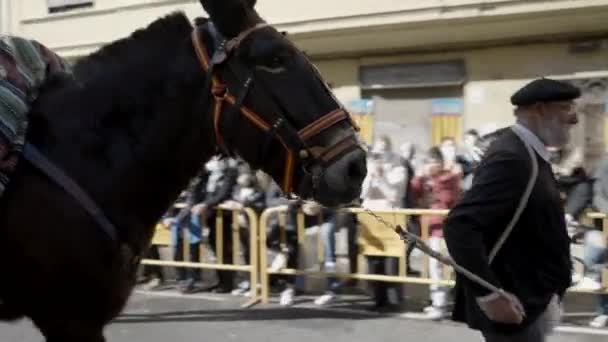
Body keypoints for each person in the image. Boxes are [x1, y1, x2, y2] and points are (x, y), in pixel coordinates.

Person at [443, 78, 580, 341]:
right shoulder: (513, 157)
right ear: (539, 110)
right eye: (565, 108)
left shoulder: (530, 151)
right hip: (514, 304)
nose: (573, 118)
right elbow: (461, 226)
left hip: (533, 300)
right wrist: (490, 295)